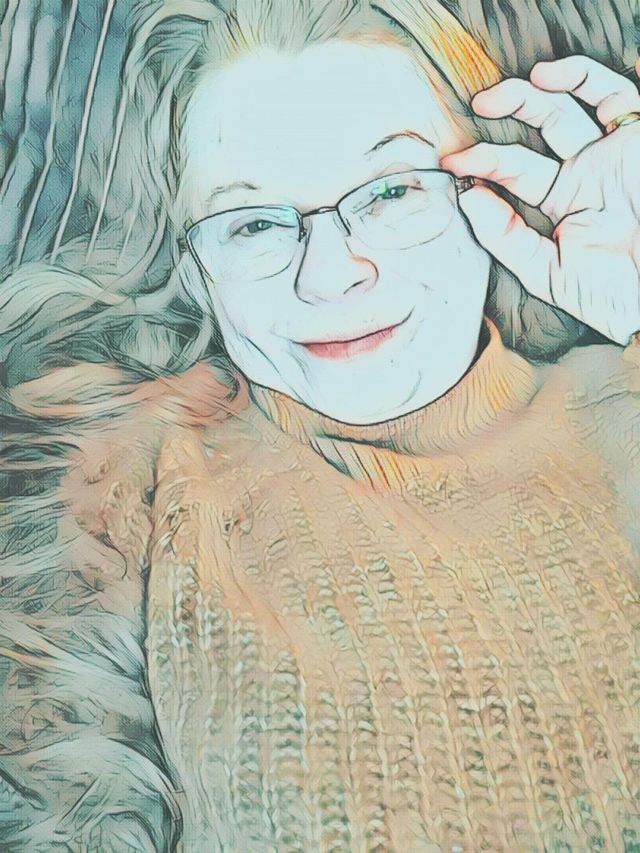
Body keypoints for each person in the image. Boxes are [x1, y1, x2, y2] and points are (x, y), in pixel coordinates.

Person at [1, 0, 639, 850]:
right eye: (253, 223)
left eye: (393, 190)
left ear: (497, 187)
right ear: (196, 268)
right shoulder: (125, 483)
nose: (330, 276)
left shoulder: (621, 405)